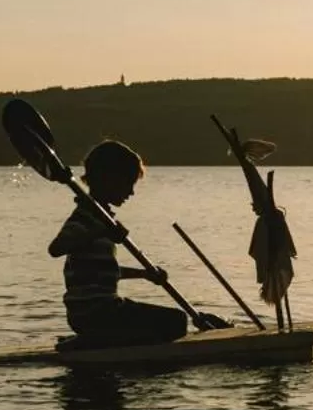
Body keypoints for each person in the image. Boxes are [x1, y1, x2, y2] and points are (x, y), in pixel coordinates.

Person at [49, 140, 218, 346]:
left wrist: (144, 274)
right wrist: (101, 230)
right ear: (108, 179)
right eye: (128, 183)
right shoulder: (86, 217)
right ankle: (97, 340)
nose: (131, 192)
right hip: (95, 313)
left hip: (98, 312)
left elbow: (101, 270)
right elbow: (56, 248)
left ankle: (99, 338)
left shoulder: (100, 219)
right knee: (176, 321)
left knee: (174, 321)